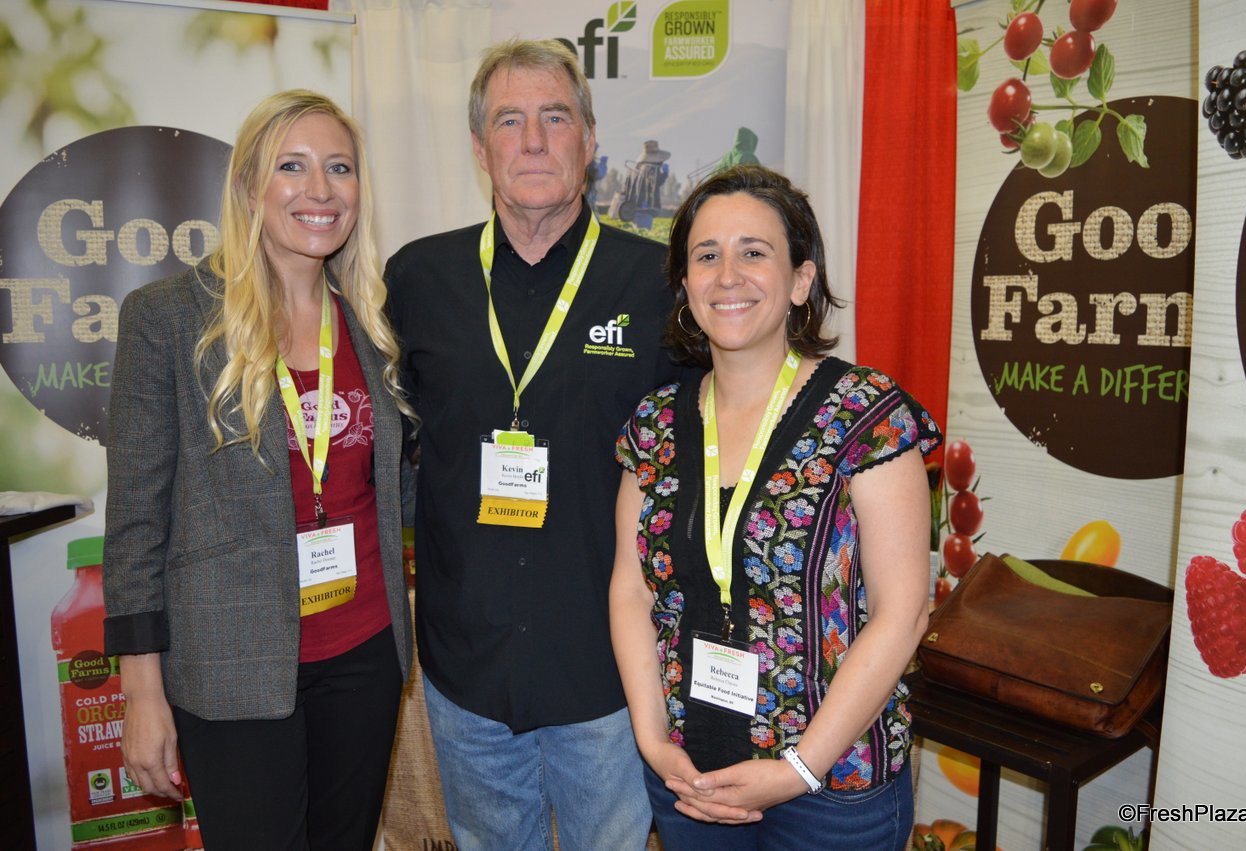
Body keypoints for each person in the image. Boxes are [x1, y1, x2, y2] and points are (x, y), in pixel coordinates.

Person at [383, 38, 679, 851]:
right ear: (480, 148)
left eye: (556, 117)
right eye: (510, 121)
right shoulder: (418, 279)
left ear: (590, 138)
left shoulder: (661, 284)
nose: (535, 140)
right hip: (467, 670)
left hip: (607, 673)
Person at [102, 90, 415, 850]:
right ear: (248, 185)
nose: (321, 190)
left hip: (365, 652)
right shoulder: (168, 318)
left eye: (340, 168)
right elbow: (136, 522)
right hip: (231, 664)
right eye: (292, 167)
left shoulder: (372, 323)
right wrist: (142, 691)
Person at [611, 164, 939, 849]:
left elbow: (903, 612)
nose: (727, 275)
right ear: (685, 285)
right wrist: (652, 739)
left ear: (800, 280)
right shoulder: (656, 423)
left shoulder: (865, 414)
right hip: (689, 774)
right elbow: (631, 591)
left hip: (831, 788)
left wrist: (799, 767)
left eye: (753, 252)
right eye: (707, 256)